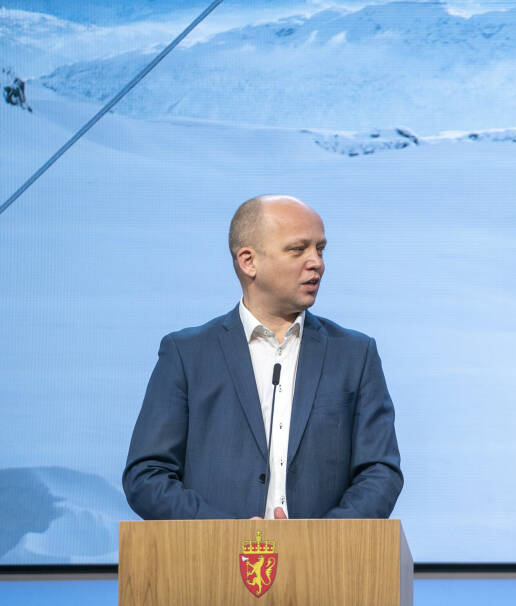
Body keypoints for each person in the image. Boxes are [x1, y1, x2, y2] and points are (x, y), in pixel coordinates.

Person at [123, 195, 402, 519]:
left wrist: (316, 543)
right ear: (248, 261)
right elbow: (147, 477)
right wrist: (230, 536)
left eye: (320, 249)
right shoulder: (187, 355)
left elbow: (380, 472)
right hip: (212, 564)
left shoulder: (354, 355)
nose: (316, 263)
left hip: (324, 565)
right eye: (298, 250)